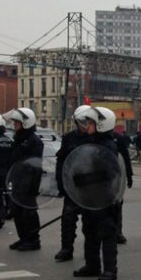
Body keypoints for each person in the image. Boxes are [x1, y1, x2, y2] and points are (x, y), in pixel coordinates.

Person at [71, 106, 121, 280]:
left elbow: (109, 173)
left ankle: (109, 270)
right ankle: (92, 265)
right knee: (89, 231)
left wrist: (86, 179)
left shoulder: (108, 146)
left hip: (104, 197)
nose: (88, 126)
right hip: (90, 196)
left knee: (106, 233)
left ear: (102, 125)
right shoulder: (90, 142)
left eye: (91, 123)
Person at [4, 108, 43, 251]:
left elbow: (36, 165)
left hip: (28, 183)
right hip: (17, 181)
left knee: (29, 213)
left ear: (26, 123)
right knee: (17, 212)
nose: (14, 125)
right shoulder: (18, 139)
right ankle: (23, 238)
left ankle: (33, 240)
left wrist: (33, 186)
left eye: (17, 122)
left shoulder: (34, 141)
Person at [53, 107, 89, 261]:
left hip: (90, 185)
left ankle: (91, 253)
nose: (85, 125)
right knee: (68, 219)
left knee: (90, 222)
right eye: (82, 122)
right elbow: (61, 161)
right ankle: (66, 248)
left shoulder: (97, 137)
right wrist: (60, 182)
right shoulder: (69, 138)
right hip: (72, 184)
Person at [112, 125, 134, 244]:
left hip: (116, 177)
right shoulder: (94, 138)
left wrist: (129, 176)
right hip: (101, 180)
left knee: (117, 205)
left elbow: (125, 157)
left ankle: (118, 232)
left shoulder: (118, 139)